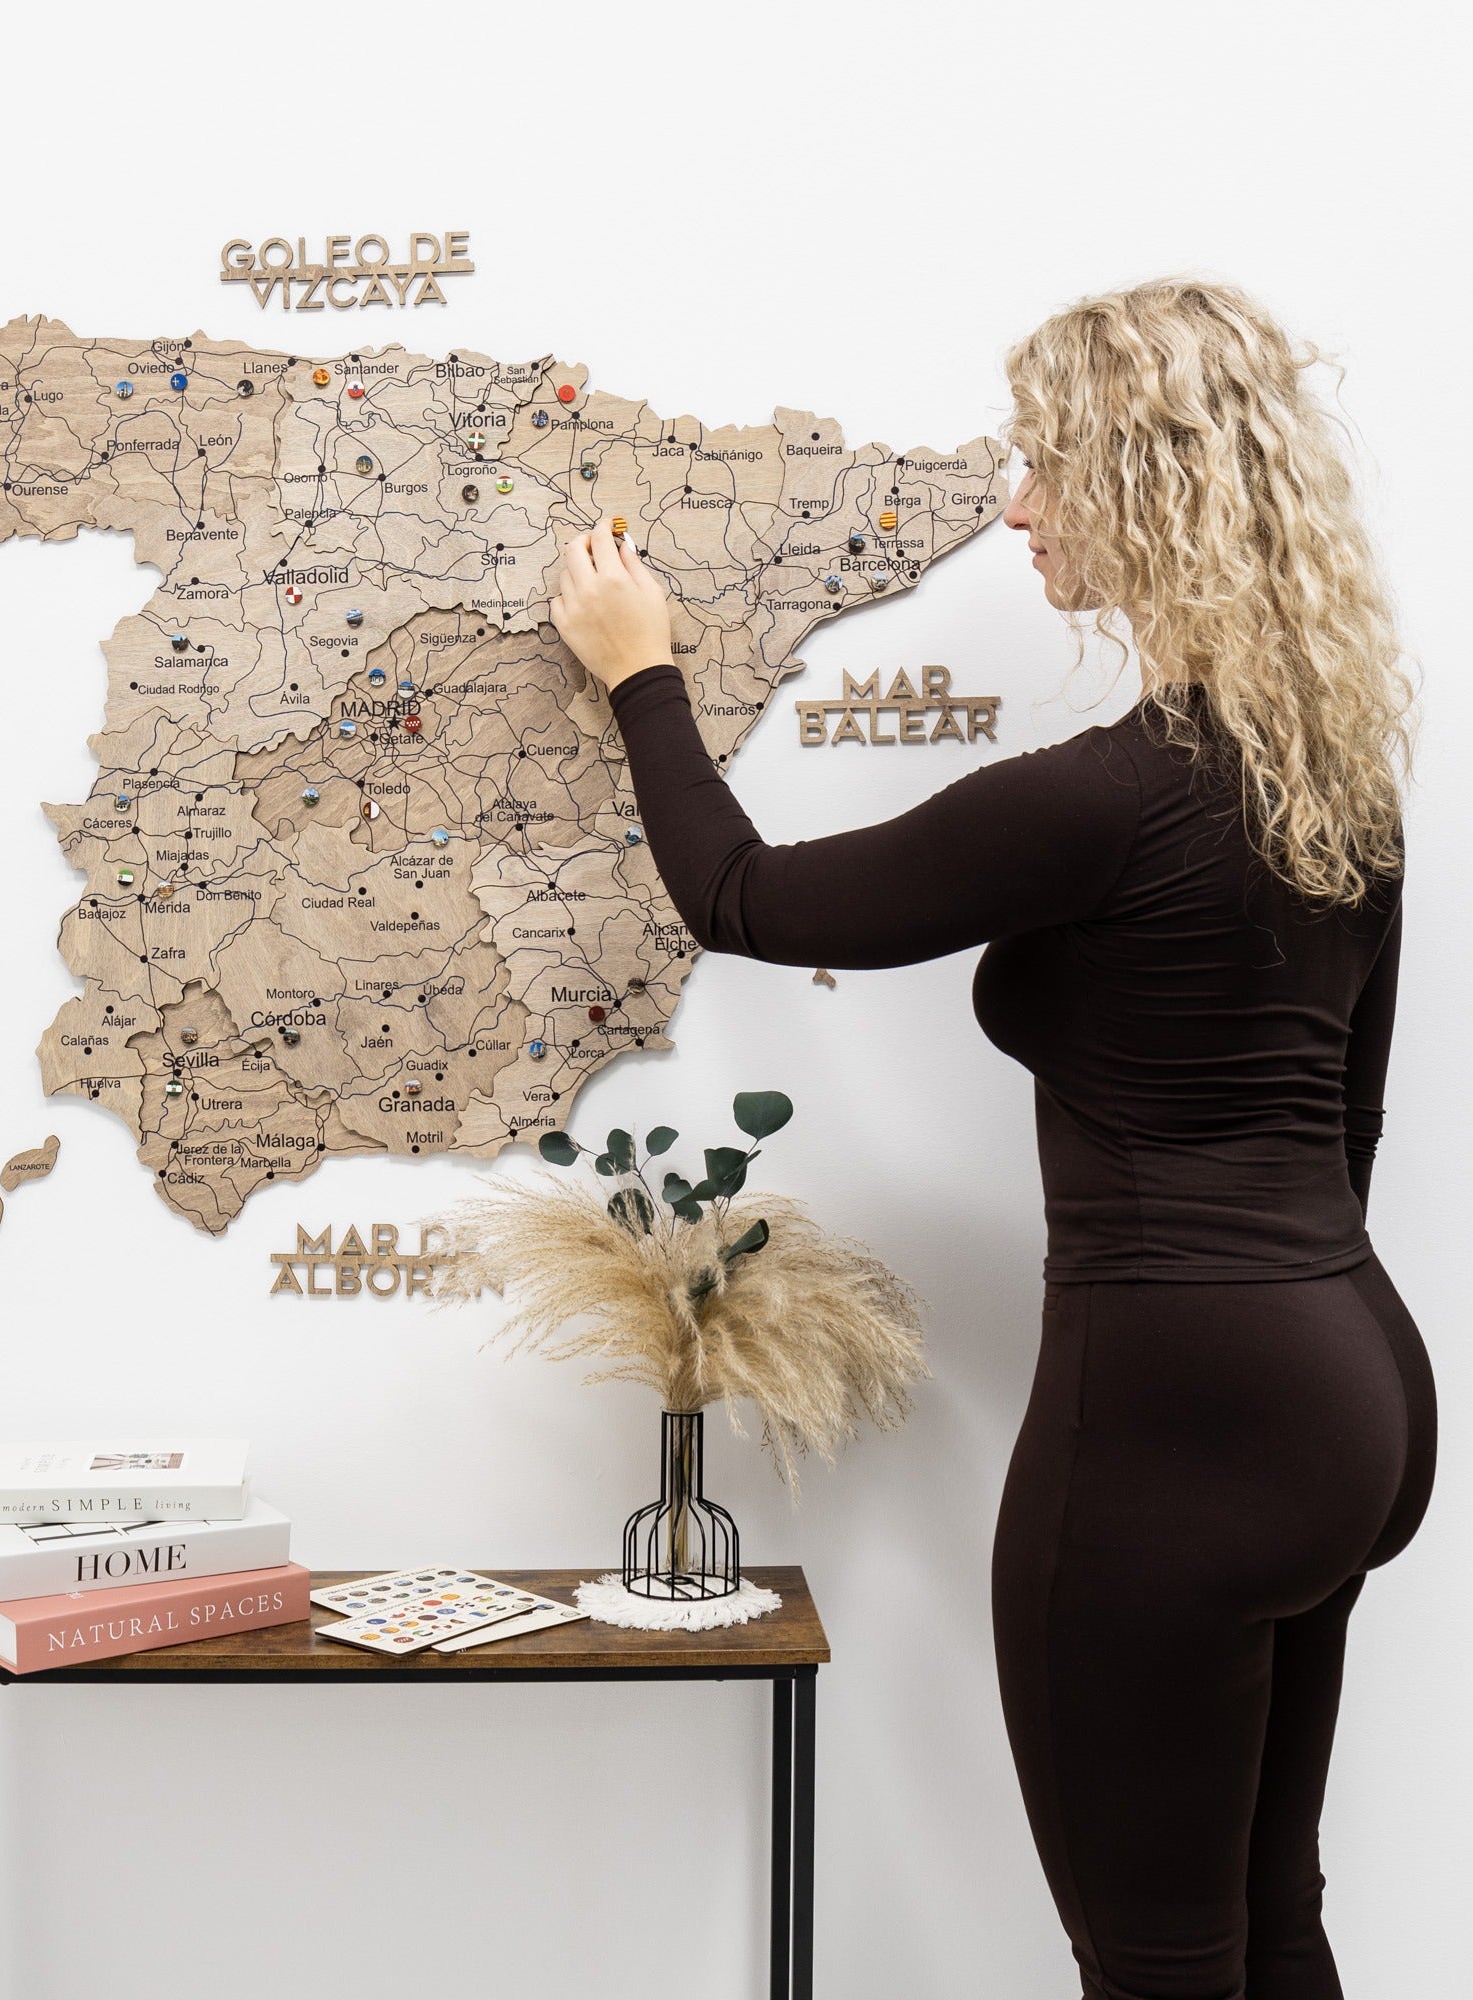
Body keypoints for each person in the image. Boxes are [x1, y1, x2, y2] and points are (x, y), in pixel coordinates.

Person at [549, 277, 1436, 2000]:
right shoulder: (1334, 775)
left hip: (1174, 1416)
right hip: (1354, 1388)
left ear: (1147, 484)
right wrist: (1289, 1358)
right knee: (1273, 1928)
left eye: (1046, 463)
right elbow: (1355, 1122)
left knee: (1158, 1963)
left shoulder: (1098, 800)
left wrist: (640, 672)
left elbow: (741, 895)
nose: (1016, 504)